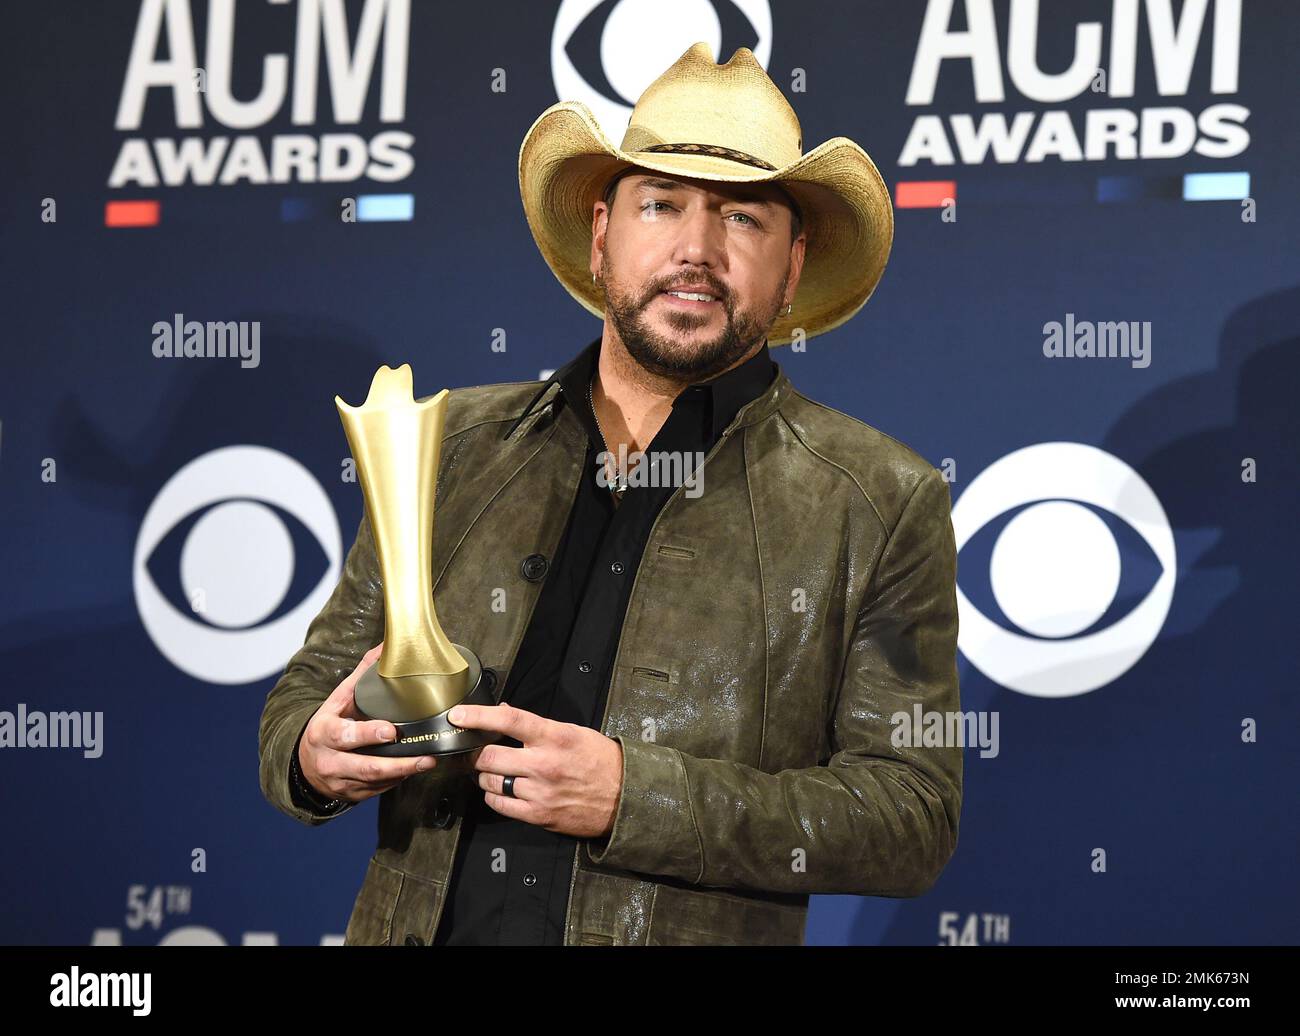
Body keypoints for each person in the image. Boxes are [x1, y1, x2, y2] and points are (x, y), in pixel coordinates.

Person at [258, 41, 962, 946]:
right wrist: (313, 757)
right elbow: (307, 696)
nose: (696, 250)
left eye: (743, 219)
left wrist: (638, 797)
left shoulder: (879, 500)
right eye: (660, 204)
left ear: (791, 267)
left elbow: (910, 816)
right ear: (601, 235)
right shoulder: (450, 447)